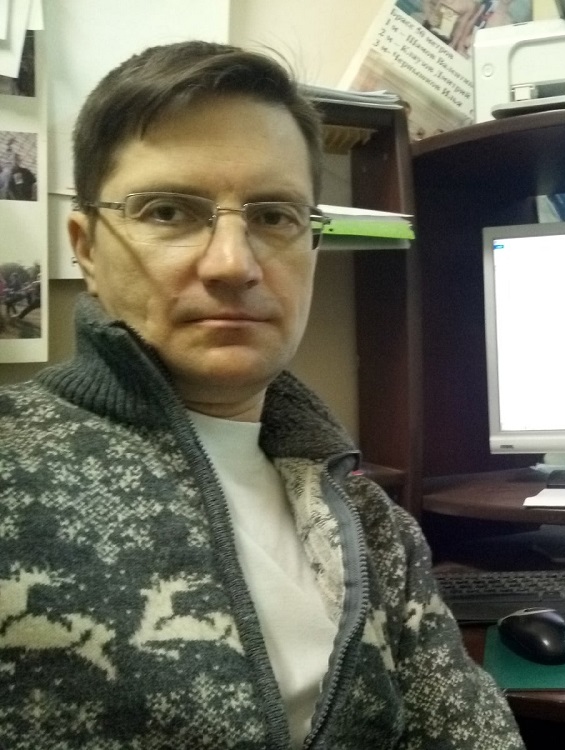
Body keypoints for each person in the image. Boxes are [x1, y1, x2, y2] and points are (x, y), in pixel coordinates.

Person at [0, 41, 524, 750]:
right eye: (168, 211)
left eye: (274, 216)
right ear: (86, 247)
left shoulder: (373, 525)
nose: (232, 264)